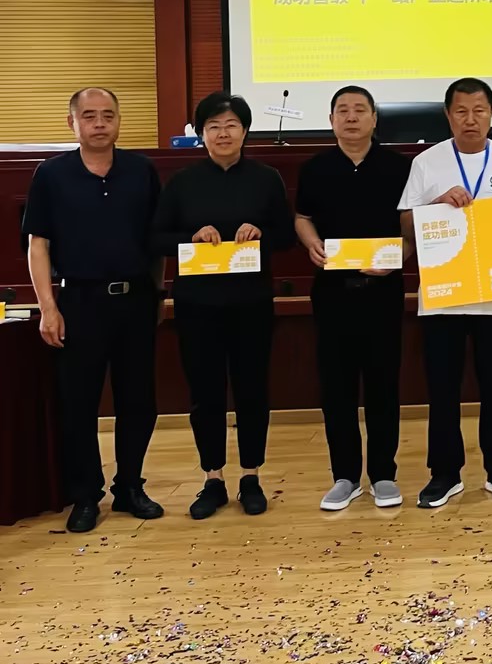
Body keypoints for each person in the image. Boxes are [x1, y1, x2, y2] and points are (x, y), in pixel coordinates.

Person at [22, 88, 165, 533]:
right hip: (80, 302)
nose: (99, 123)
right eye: (89, 116)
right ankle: (85, 495)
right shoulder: (51, 174)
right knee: (79, 403)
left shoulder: (142, 170)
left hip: (137, 300)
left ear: (119, 120)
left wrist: (158, 294)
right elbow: (38, 245)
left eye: (108, 115)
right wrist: (48, 308)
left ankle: (130, 487)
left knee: (138, 400)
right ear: (72, 123)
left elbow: (156, 241)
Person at [151, 92, 293, 519]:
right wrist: (190, 238)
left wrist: (261, 231)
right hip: (198, 305)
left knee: (252, 389)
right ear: (201, 134)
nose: (223, 133)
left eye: (231, 125)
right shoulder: (182, 182)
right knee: (205, 392)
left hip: (252, 302)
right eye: (213, 126)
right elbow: (156, 238)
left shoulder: (267, 178)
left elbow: (286, 236)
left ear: (245, 131)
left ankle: (251, 475)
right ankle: (212, 477)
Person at [398, 77, 492, 509]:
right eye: (461, 111)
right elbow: (405, 225)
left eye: (479, 110)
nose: (470, 119)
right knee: (442, 390)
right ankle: (444, 473)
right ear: (448, 115)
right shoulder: (427, 162)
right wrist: (436, 204)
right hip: (443, 297)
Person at [294, 86, 413, 511]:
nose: (351, 117)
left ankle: (383, 474)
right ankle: (344, 476)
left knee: (383, 385)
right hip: (332, 294)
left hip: (383, 293)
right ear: (331, 120)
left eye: (360, 110)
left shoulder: (400, 166)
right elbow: (302, 217)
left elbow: (409, 223)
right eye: (342, 111)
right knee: (337, 387)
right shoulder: (315, 168)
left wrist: (402, 254)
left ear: (374, 118)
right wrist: (311, 243)